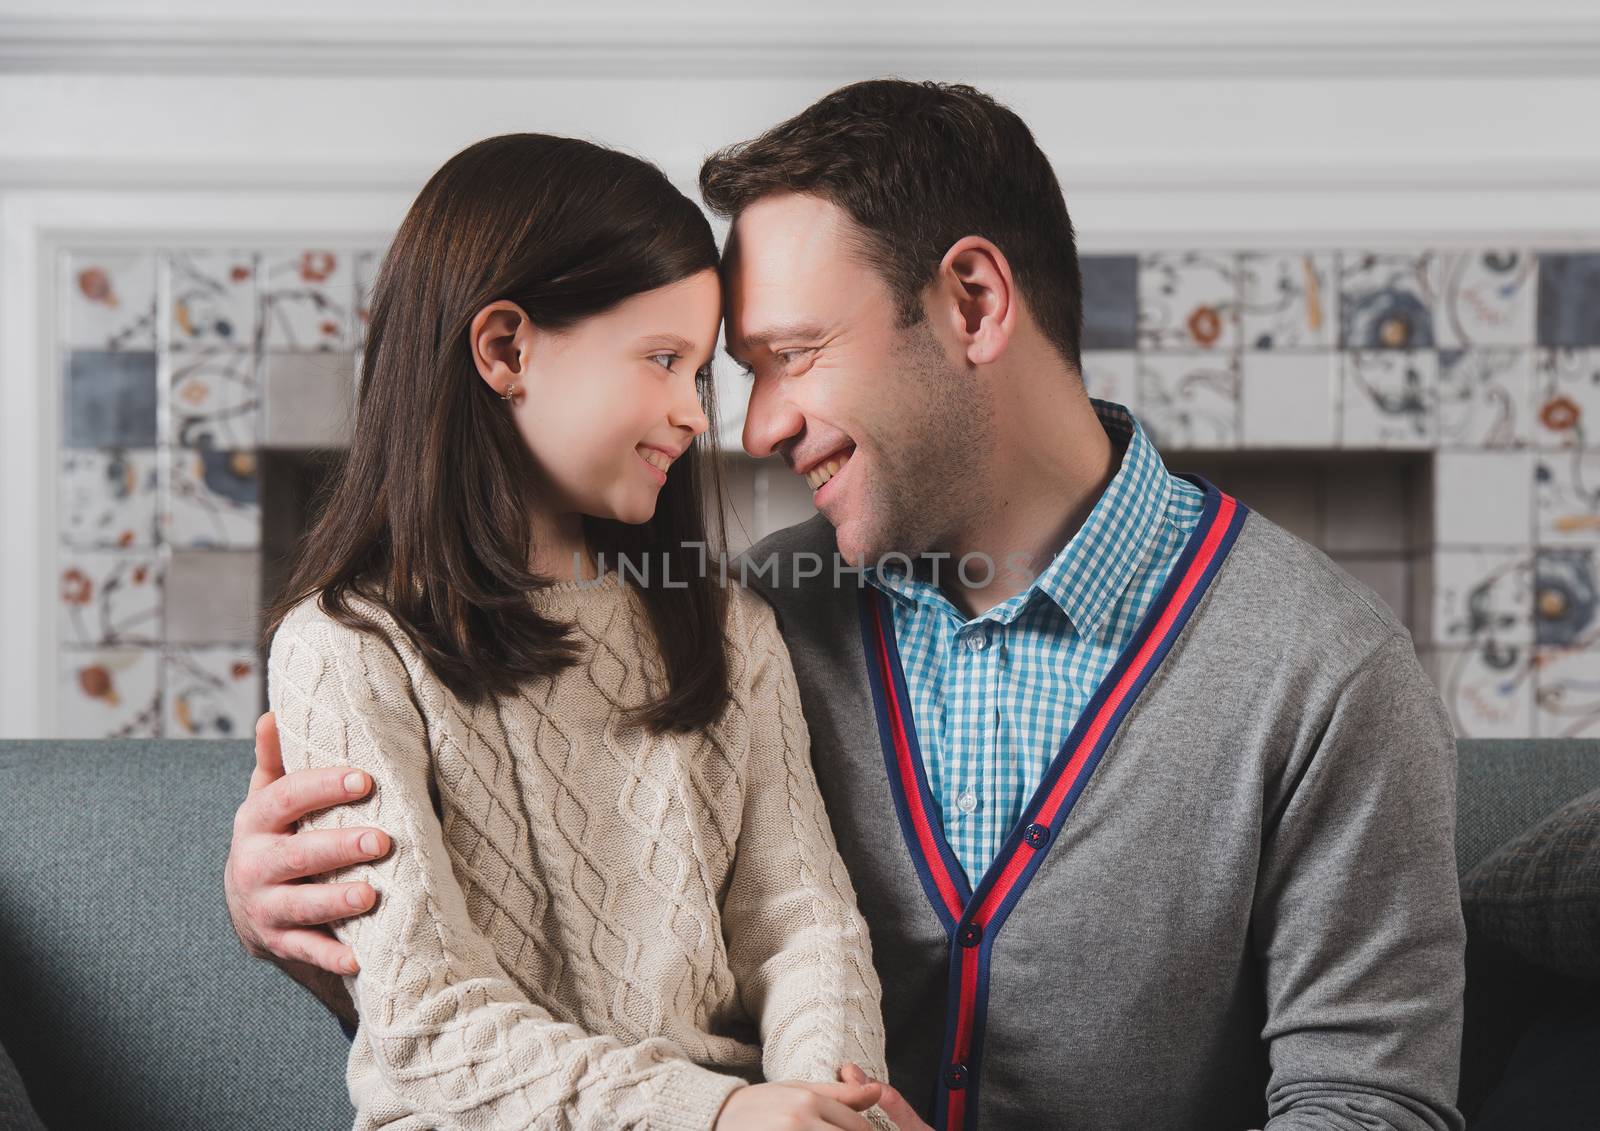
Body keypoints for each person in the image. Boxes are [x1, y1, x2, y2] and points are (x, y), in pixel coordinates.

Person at [230, 82, 1467, 1130]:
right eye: (723, 370)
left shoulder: (1323, 669)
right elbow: (505, 962)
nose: (750, 428)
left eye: (791, 354)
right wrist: (295, 922)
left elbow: (1369, 1105)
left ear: (973, 303)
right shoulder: (758, 607)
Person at [251, 131, 905, 1130]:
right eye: (662, 361)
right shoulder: (345, 649)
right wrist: (718, 1115)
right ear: (506, 349)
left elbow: (802, 922)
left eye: (699, 377)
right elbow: (424, 1025)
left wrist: (826, 1102)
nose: (695, 415)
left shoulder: (728, 627)